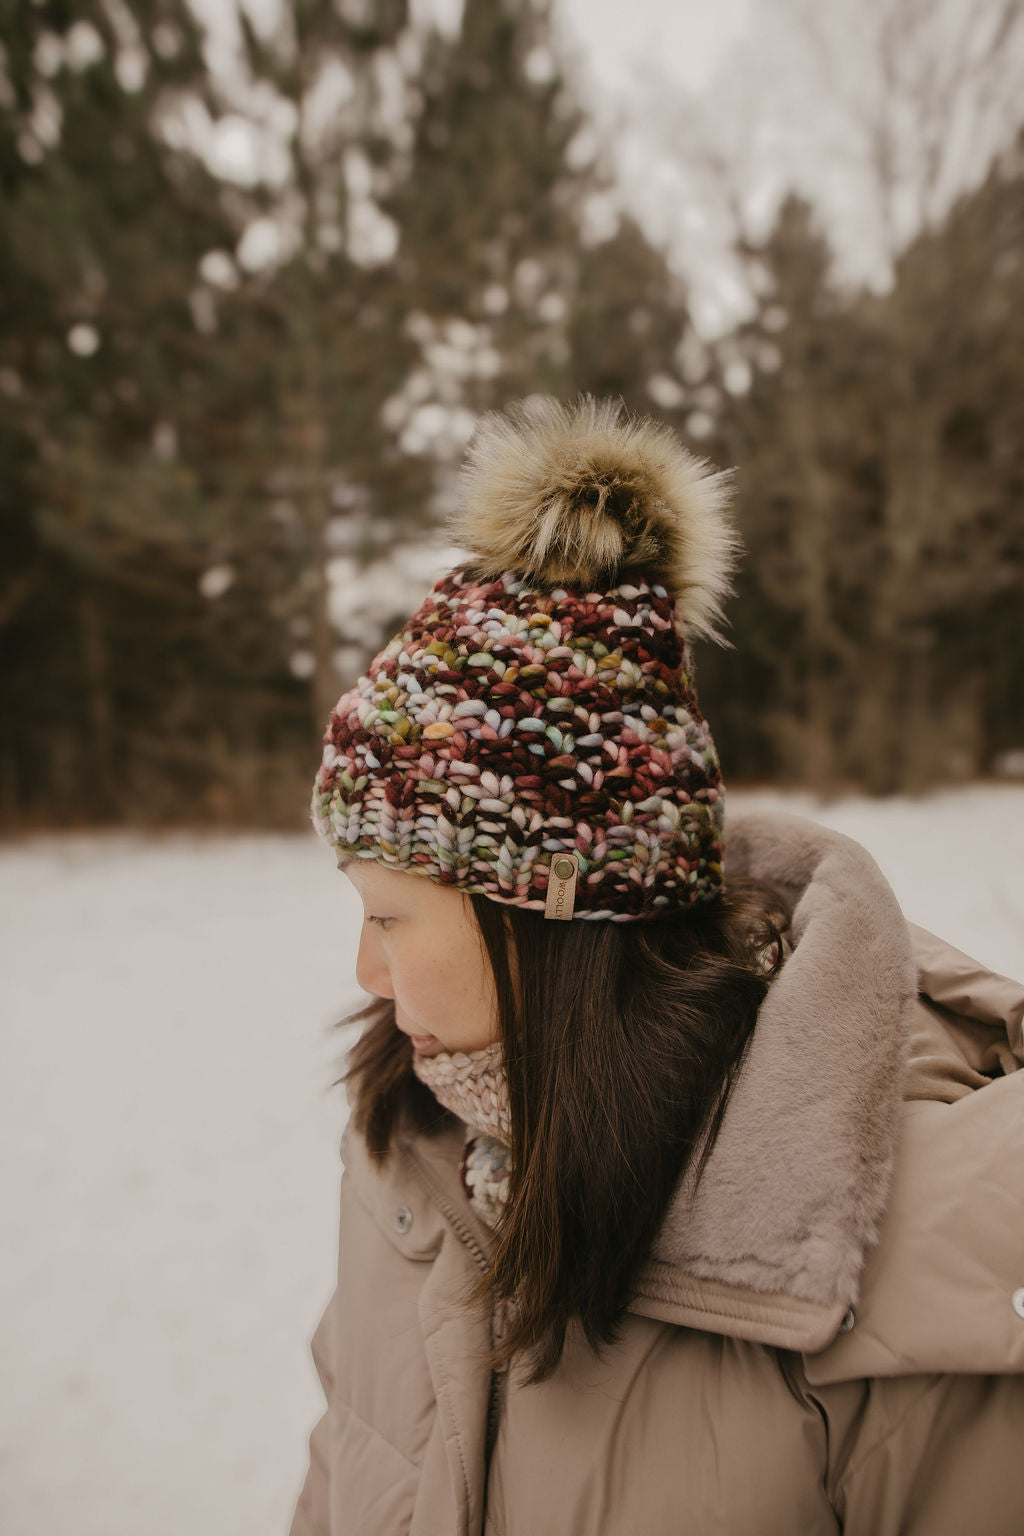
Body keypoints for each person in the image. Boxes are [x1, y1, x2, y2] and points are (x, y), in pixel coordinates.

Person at [290, 396, 1024, 1536]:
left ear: (548, 919)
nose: (367, 975)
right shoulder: (408, 1157)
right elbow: (346, 1468)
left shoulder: (885, 1275)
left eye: (391, 919)